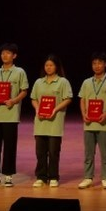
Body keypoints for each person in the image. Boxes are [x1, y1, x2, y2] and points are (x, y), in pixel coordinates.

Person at [0, 42, 29, 187]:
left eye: (8, 53)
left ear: (14, 56)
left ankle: (8, 175)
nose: (5, 55)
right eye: (3, 53)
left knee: (9, 146)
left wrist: (14, 101)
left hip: (11, 115)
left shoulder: (19, 72)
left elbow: (24, 91)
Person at [77, 51, 106, 189]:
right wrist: (84, 114)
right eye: (94, 63)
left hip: (104, 124)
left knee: (105, 153)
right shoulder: (86, 82)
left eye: (100, 63)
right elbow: (82, 99)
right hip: (89, 124)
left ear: (105, 64)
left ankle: (105, 178)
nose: (97, 66)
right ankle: (88, 177)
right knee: (88, 153)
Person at [30, 53, 73, 187]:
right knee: (40, 152)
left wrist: (55, 109)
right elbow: (34, 98)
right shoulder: (39, 82)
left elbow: (68, 99)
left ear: (56, 67)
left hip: (55, 122)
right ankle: (41, 177)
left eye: (51, 65)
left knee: (54, 152)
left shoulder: (63, 82)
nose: (48, 67)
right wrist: (37, 109)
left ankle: (53, 176)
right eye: (46, 65)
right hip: (40, 122)